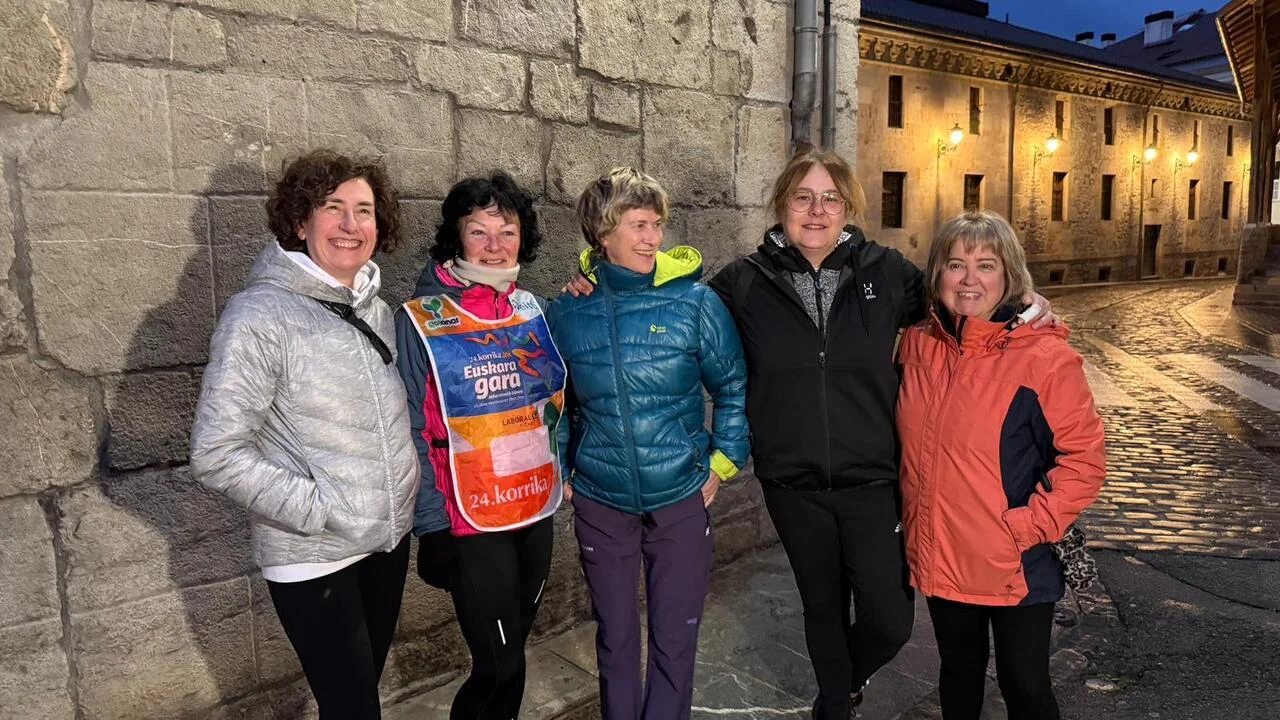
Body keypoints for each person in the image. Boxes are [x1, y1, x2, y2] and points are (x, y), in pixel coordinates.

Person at [703, 148, 1057, 720]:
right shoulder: (744, 282)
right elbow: (677, 319)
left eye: (831, 199)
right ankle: (834, 706)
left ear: (848, 208)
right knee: (821, 607)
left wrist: (1025, 302)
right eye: (803, 198)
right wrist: (592, 279)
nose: (816, 211)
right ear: (782, 205)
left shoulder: (885, 272)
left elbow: (962, 298)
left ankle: (844, 680)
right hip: (792, 485)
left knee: (890, 620)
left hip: (874, 480)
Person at [190, 149, 417, 719]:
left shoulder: (376, 310)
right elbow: (216, 453)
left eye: (364, 210)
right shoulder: (259, 316)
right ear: (299, 222)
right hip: (314, 554)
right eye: (332, 207)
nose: (350, 224)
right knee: (353, 710)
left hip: (385, 543)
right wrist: (321, 509)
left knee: (358, 702)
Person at [547, 167, 750, 720]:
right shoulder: (567, 311)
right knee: (615, 639)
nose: (653, 238)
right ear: (602, 232)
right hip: (601, 502)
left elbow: (732, 384)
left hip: (681, 498)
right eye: (639, 225)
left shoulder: (695, 303)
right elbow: (555, 399)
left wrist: (722, 462)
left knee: (675, 638)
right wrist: (562, 468)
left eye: (657, 225)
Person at [895, 209, 1105, 720]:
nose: (969, 280)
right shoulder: (917, 345)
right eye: (955, 265)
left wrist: (1025, 527)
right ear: (937, 274)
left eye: (985, 265)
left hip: (1015, 557)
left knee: (1024, 686)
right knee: (958, 675)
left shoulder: (1046, 358)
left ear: (1009, 274)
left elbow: (1084, 459)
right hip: (944, 549)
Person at [395, 172, 566, 720]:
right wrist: (431, 526)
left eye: (507, 231)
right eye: (478, 231)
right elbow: (411, 429)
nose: (494, 246)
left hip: (534, 508)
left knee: (514, 651)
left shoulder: (534, 309)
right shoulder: (421, 319)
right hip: (470, 522)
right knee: (497, 664)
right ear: (457, 237)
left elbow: (562, 398)